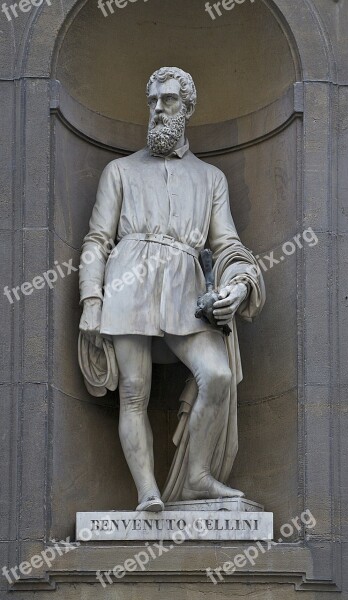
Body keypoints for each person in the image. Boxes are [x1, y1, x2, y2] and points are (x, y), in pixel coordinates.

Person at [79, 67, 265, 512]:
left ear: (188, 108)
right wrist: (91, 299)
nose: (158, 109)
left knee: (217, 375)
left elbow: (228, 245)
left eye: (168, 101)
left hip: (185, 286)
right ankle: (147, 491)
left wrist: (239, 285)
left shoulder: (210, 178)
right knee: (134, 389)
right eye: (153, 101)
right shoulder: (119, 170)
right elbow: (97, 240)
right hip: (128, 279)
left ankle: (197, 476)